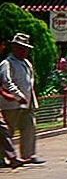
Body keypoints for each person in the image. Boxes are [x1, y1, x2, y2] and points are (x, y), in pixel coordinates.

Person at [0, 33, 43, 165]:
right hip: (12, 104)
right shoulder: (7, 63)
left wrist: (30, 99)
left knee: (29, 128)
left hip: (27, 103)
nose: (23, 51)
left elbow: (29, 83)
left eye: (25, 48)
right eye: (20, 47)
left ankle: (28, 155)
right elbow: (7, 82)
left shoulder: (26, 63)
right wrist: (18, 96)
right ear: (14, 47)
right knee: (8, 132)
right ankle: (3, 157)